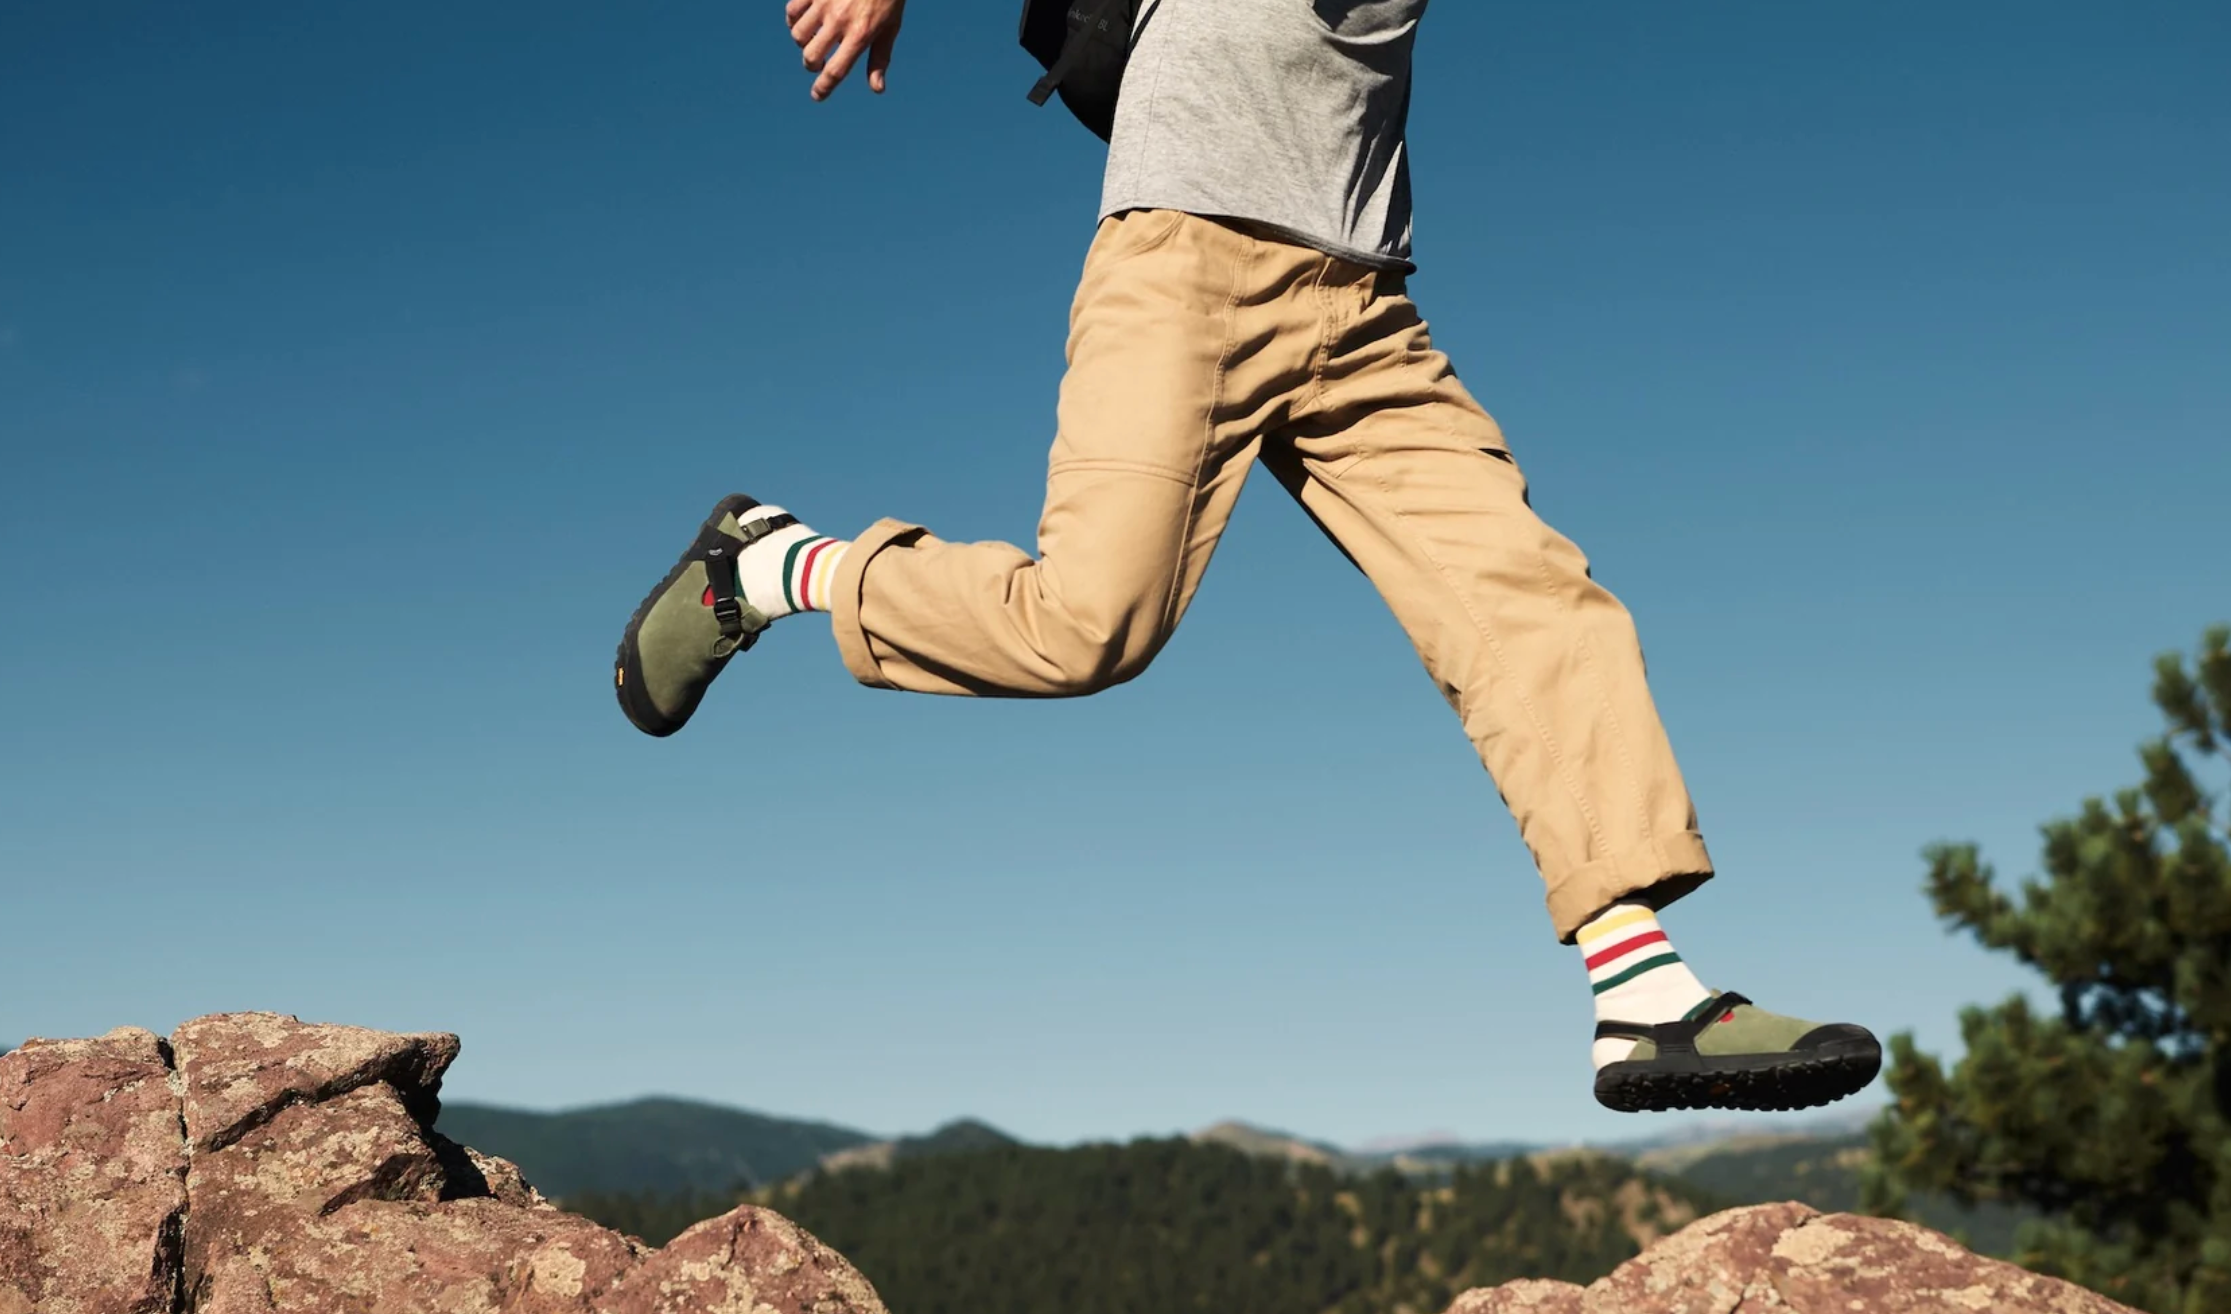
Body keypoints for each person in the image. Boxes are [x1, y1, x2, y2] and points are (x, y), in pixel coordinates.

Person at [612, 0, 1880, 1114]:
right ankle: (771, 567)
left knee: (1535, 603)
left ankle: (1644, 988)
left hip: (1369, 302)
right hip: (1189, 248)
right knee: (1086, 622)